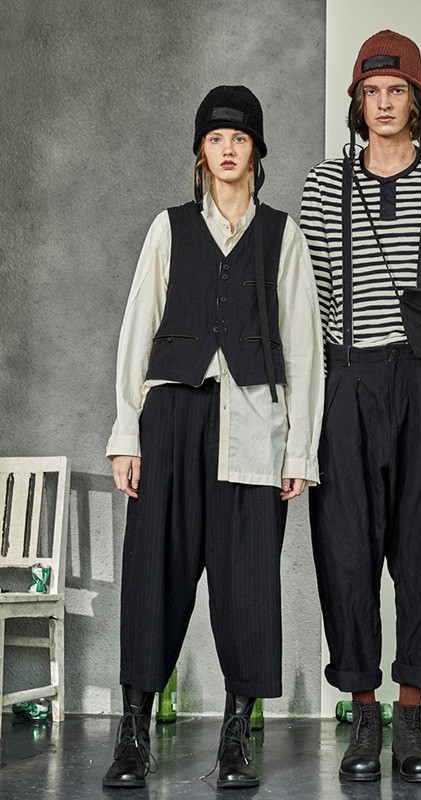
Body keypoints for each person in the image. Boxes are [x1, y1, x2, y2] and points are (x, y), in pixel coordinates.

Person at [103, 85, 324, 790]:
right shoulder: (168, 229)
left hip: (254, 423)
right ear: (200, 153)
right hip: (171, 418)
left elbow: (304, 348)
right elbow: (137, 330)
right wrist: (126, 433)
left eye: (240, 138)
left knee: (249, 583)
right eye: (215, 139)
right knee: (153, 575)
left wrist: (300, 449)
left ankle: (235, 739)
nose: (228, 150)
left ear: (257, 151)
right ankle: (133, 733)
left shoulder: (283, 236)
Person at [301, 30, 421, 783]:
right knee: (344, 549)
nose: (383, 104)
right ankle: (363, 715)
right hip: (347, 380)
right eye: (371, 92)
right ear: (357, 101)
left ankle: (410, 721)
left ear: (417, 100)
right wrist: (316, 394)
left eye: (396, 91)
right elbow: (309, 298)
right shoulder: (325, 184)